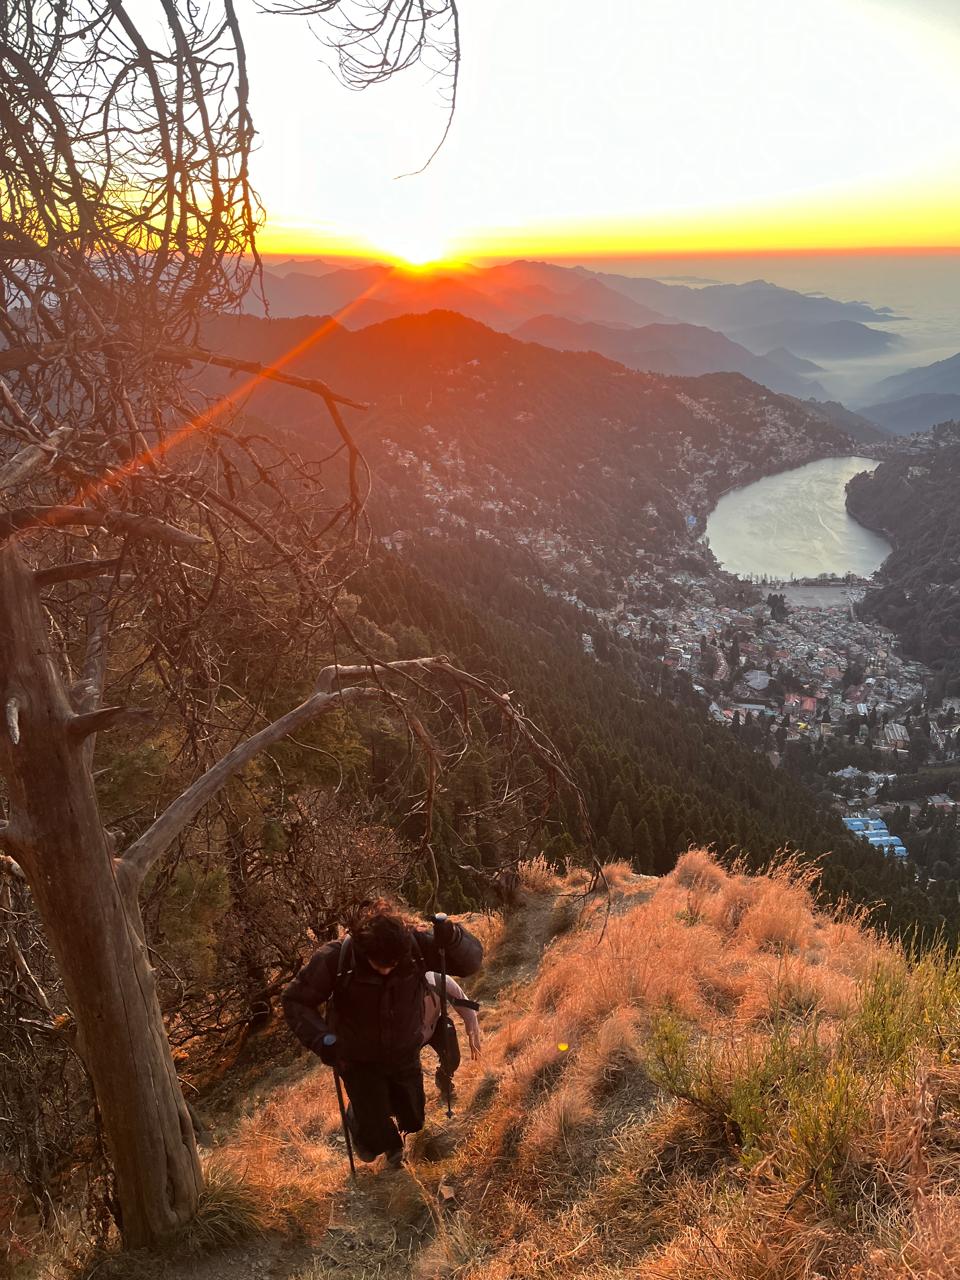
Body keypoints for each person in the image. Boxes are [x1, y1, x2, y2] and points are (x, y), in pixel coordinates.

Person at [282, 900, 483, 1169]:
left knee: (413, 1119)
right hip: (356, 1057)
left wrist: (454, 937)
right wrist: (321, 1039)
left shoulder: (415, 947)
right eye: (379, 964)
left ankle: (384, 1130)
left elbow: (469, 964)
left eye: (393, 963)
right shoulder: (336, 958)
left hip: (403, 1051)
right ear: (364, 951)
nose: (387, 969)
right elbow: (296, 1000)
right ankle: (387, 1147)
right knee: (375, 1130)